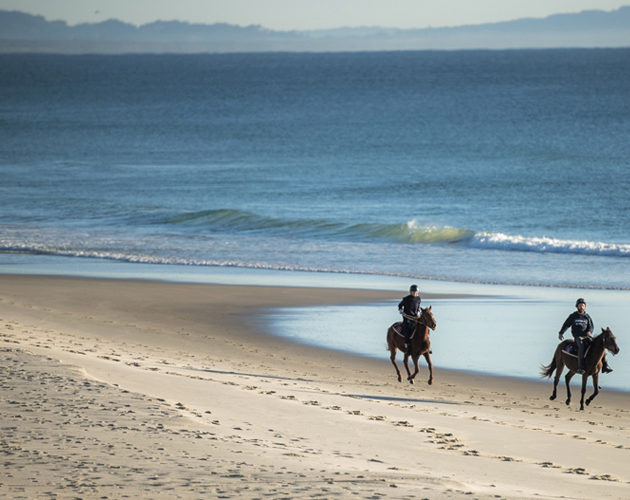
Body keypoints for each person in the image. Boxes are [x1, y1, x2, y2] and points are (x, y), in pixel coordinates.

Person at [558, 298, 612, 375]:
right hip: (577, 337)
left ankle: (605, 366)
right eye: (580, 305)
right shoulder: (573, 316)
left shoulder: (587, 317)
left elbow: (591, 326)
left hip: (587, 337)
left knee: (600, 346)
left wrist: (589, 332)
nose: (581, 307)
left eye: (583, 305)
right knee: (581, 347)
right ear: (577, 306)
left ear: (585, 306)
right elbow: (566, 324)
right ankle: (580, 368)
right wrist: (561, 333)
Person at [398, 284, 421, 355]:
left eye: (416, 292)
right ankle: (407, 347)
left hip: (415, 318)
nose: (414, 293)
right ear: (410, 292)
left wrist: (418, 312)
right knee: (408, 330)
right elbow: (400, 306)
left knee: (423, 328)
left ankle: (425, 345)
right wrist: (401, 312)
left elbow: (418, 308)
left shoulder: (418, 299)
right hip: (407, 317)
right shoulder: (406, 299)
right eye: (413, 292)